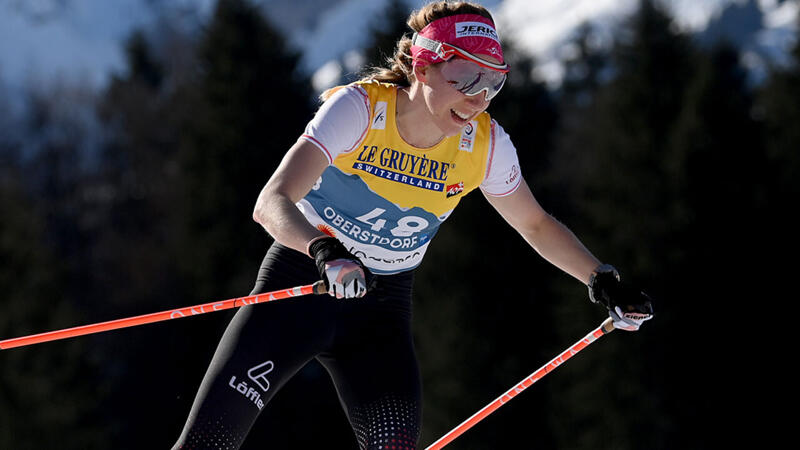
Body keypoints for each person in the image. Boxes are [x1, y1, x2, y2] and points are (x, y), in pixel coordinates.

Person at [172, 1, 654, 449]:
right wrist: (323, 252)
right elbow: (271, 201)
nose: (477, 98)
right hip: (301, 290)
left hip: (380, 314)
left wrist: (601, 279)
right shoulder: (360, 110)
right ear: (423, 66)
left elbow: (534, 224)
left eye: (492, 83)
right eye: (465, 76)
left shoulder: (485, 146)